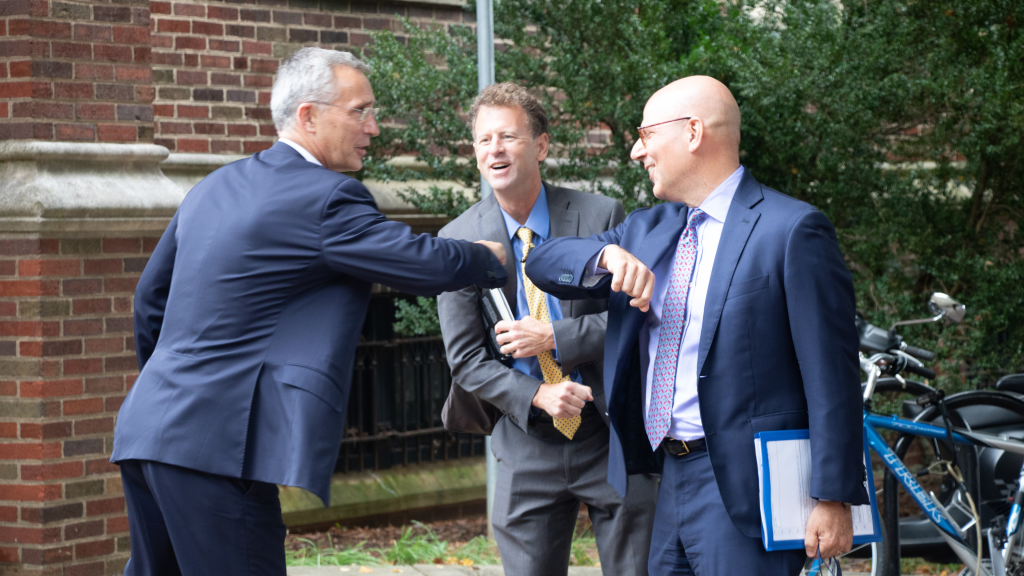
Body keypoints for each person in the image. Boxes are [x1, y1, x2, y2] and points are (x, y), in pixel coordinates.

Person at [110, 47, 508, 576]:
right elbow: (423, 263)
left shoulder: (214, 186)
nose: (374, 127)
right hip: (217, 447)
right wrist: (489, 255)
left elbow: (148, 302)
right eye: (360, 110)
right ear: (308, 116)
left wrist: (172, 389)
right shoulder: (327, 198)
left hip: (147, 429)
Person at [524, 76, 869, 575]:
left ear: (692, 132)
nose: (637, 153)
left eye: (645, 135)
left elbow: (831, 375)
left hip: (750, 489)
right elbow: (543, 262)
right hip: (668, 475)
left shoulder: (792, 229)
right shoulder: (647, 228)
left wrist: (833, 497)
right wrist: (605, 254)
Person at [436, 82, 658, 576]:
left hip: (608, 436)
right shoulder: (455, 240)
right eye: (482, 140)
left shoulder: (600, 215)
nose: (494, 149)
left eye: (508, 137)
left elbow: (632, 318)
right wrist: (537, 396)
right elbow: (466, 361)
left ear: (540, 145)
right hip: (523, 443)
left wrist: (556, 339)